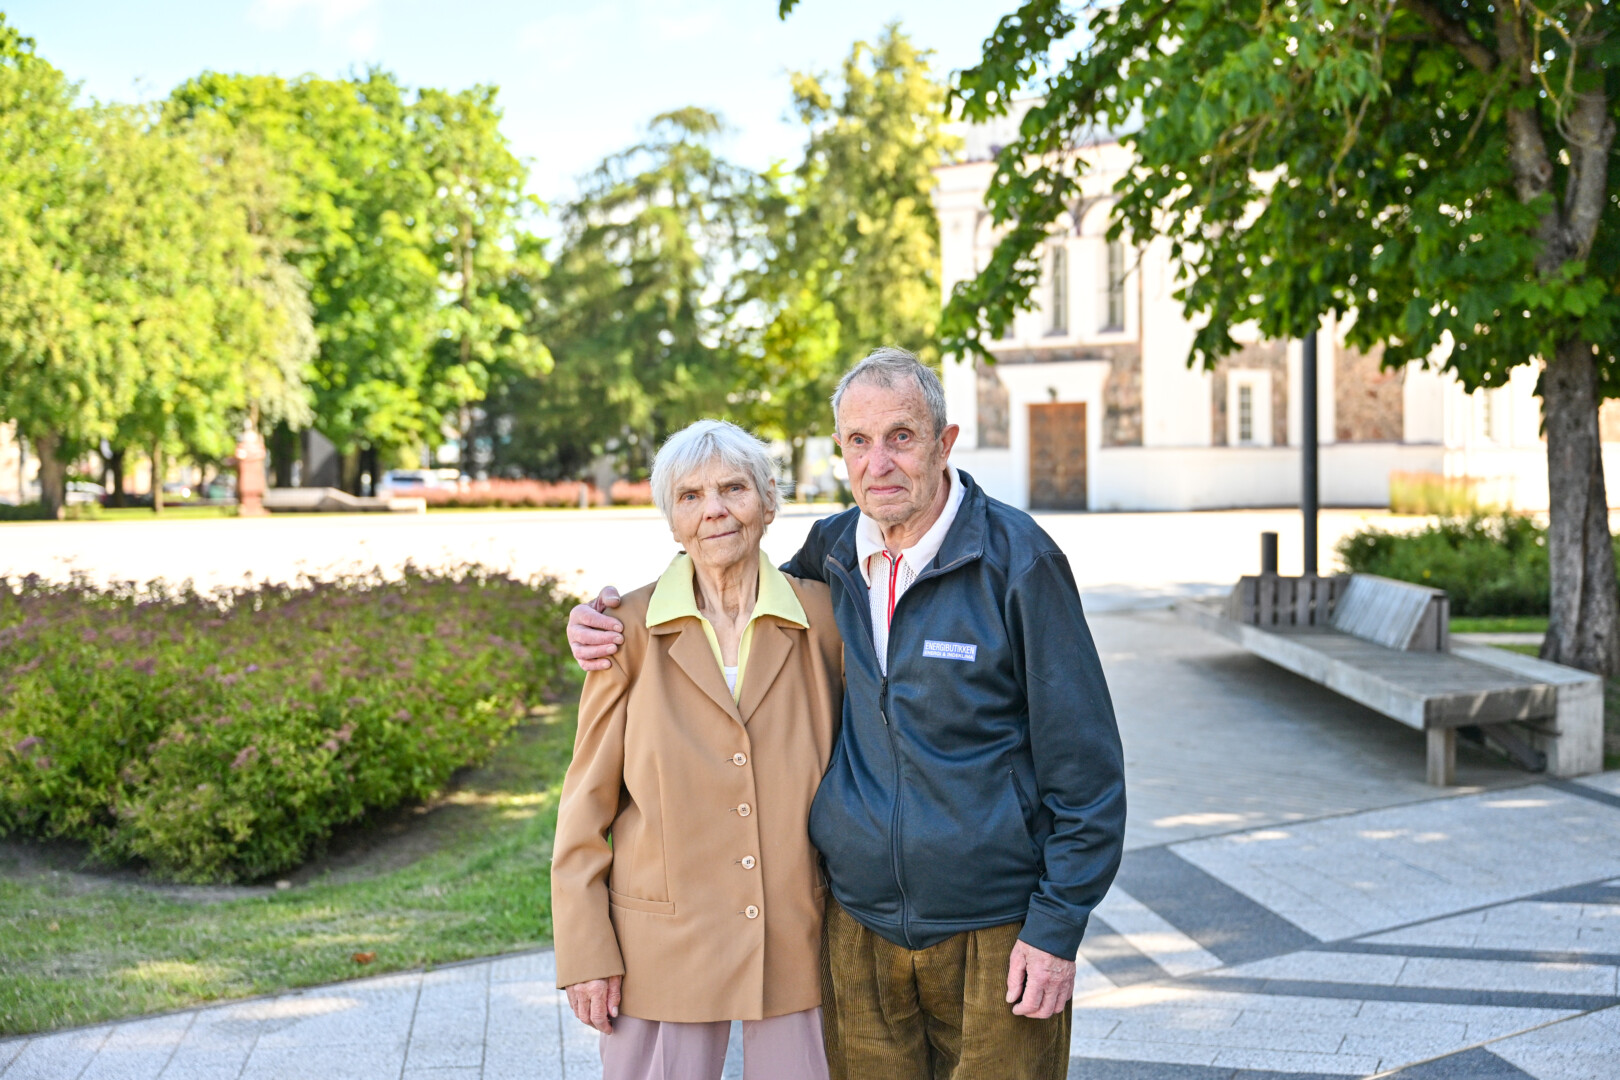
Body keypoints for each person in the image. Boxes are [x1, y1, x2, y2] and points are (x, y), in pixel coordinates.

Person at [569, 347, 1126, 1080]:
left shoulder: (1015, 563)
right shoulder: (830, 556)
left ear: (944, 443)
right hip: (858, 931)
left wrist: (1055, 931)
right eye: (859, 442)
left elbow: (1087, 773)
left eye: (901, 436)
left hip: (992, 928)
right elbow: (722, 575)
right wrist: (596, 619)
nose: (880, 462)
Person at [551, 419, 843, 1080]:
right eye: (690, 496)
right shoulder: (623, 629)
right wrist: (586, 951)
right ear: (672, 520)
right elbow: (585, 806)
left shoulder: (824, 620)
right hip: (659, 947)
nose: (714, 509)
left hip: (795, 936)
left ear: (769, 502)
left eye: (733, 488)